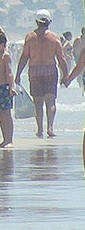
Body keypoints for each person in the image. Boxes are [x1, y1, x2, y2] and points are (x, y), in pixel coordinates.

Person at [15, 9, 68, 138]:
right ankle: (50, 128)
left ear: (36, 22)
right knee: (51, 102)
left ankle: (40, 129)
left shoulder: (30, 37)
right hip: (50, 69)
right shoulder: (54, 37)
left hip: (34, 71)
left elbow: (24, 57)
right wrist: (65, 75)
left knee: (38, 102)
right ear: (49, 22)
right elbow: (61, 58)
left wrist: (17, 74)